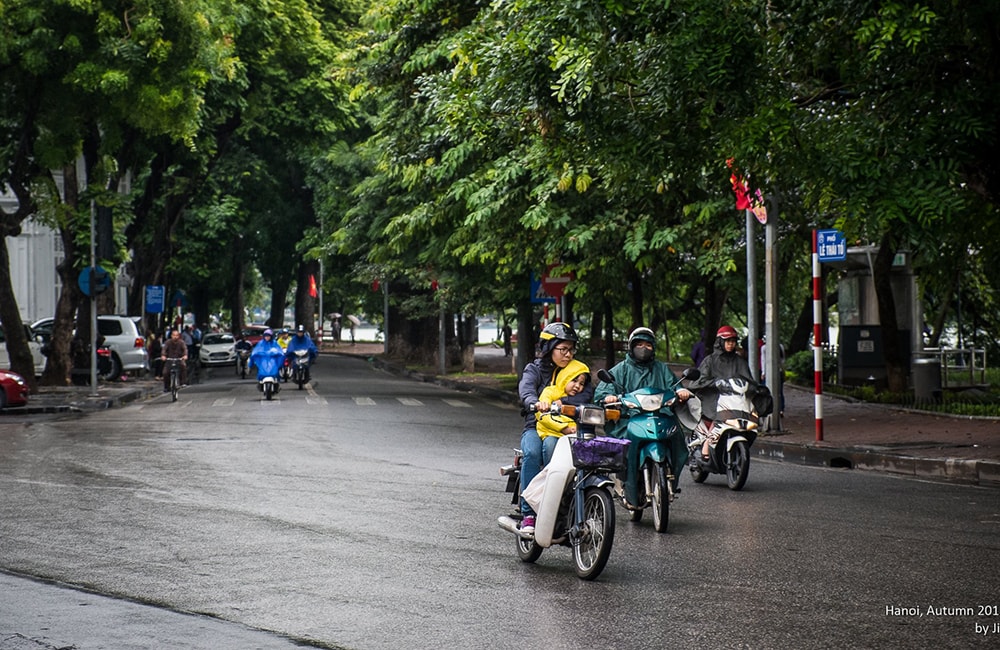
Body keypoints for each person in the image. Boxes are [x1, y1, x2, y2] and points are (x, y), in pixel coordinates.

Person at [594, 327, 692, 501]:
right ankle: (626, 483)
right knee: (624, 448)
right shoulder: (621, 369)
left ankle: (672, 480)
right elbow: (603, 391)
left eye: (648, 344)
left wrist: (681, 391)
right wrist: (608, 397)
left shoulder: (662, 368)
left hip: (660, 417)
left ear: (653, 347)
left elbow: (675, 385)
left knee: (679, 442)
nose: (643, 348)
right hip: (629, 419)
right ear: (631, 347)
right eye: (639, 344)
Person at [516, 322, 594, 534]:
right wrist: (534, 402)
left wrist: (564, 401)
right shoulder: (534, 369)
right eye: (563, 349)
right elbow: (526, 389)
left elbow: (586, 393)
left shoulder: (575, 370)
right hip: (534, 426)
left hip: (563, 430)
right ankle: (529, 513)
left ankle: (557, 507)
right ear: (549, 348)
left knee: (552, 448)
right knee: (532, 451)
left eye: (571, 349)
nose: (568, 354)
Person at [687, 325, 759, 460]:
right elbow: (699, 380)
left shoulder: (740, 361)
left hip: (735, 400)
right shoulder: (710, 360)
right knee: (717, 417)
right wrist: (714, 383)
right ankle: (706, 446)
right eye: (727, 341)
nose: (731, 344)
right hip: (712, 398)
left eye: (733, 341)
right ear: (720, 342)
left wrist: (756, 389)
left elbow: (749, 380)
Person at [535, 358, 591, 462]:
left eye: (581, 383)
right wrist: (564, 428)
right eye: (574, 380)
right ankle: (548, 474)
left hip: (573, 433)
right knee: (550, 445)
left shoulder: (580, 398)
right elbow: (542, 414)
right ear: (565, 378)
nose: (577, 386)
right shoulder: (550, 392)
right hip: (551, 432)